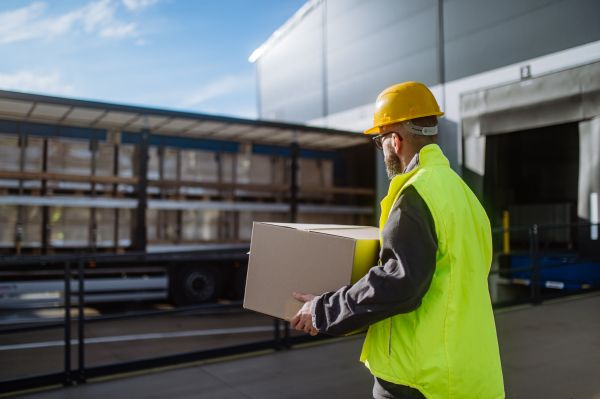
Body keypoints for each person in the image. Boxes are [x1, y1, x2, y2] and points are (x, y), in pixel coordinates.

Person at [290, 82, 505, 399]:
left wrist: (321, 310)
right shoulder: (464, 195)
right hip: (467, 373)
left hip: (419, 378)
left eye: (380, 141)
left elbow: (398, 283)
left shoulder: (416, 195)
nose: (382, 150)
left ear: (394, 140)